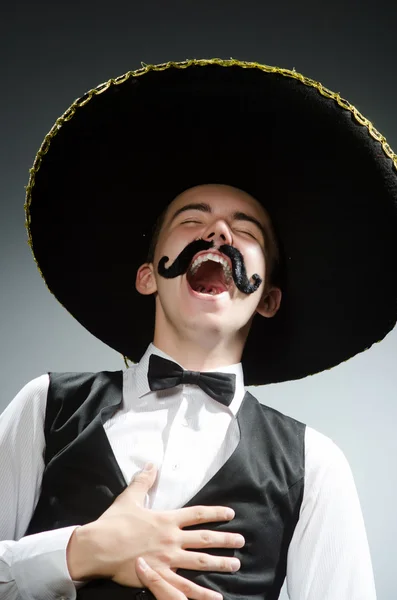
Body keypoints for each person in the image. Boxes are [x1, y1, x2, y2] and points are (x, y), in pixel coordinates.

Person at [1, 58, 396, 600]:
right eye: (191, 219)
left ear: (268, 298)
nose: (217, 232)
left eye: (246, 230)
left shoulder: (314, 464)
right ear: (147, 275)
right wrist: (77, 553)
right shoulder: (46, 407)